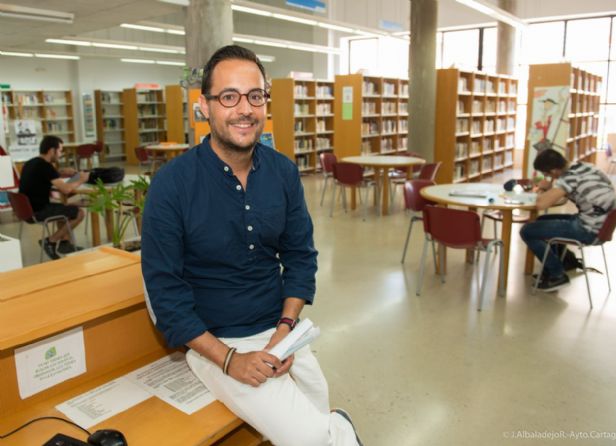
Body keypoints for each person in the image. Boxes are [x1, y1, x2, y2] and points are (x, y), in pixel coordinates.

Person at [141, 45, 362, 446]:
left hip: (280, 331)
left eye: (255, 96)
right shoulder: (172, 185)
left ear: (265, 103)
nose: (244, 108)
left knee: (318, 411)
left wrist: (285, 330)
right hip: (214, 342)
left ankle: (338, 427)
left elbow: (300, 258)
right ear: (205, 107)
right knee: (312, 438)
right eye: (229, 96)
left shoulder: (283, 172)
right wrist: (230, 361)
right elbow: (165, 294)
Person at [520, 148, 616, 291]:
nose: (547, 177)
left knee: (527, 231)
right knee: (541, 221)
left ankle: (557, 274)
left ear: (553, 171)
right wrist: (552, 188)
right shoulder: (584, 166)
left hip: (590, 230)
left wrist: (541, 189)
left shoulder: (569, 177)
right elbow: (566, 194)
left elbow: (541, 204)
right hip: (601, 224)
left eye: (546, 174)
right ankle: (564, 262)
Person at [18, 135, 89, 259]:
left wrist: (60, 172)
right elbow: (66, 190)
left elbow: (43, 176)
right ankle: (51, 241)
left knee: (64, 208)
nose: (61, 154)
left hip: (25, 210)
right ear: (52, 150)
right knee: (79, 213)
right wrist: (81, 180)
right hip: (38, 211)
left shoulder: (31, 163)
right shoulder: (46, 167)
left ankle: (65, 243)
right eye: (60, 150)